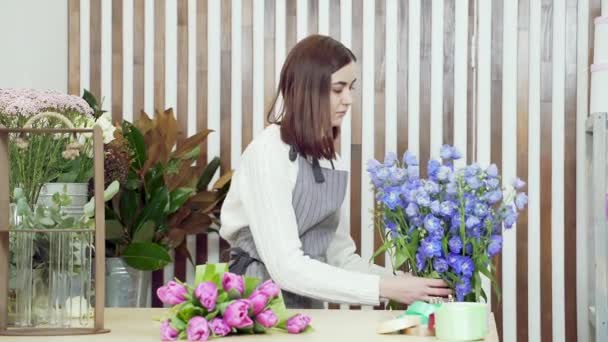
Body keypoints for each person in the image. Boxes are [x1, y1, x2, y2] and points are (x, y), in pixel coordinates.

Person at [219, 34, 451, 308]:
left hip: (307, 300)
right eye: (338, 89)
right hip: (257, 302)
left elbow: (340, 257)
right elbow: (287, 267)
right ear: (308, 90)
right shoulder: (267, 154)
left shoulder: (330, 159)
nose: (349, 99)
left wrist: (402, 283)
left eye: (351, 87)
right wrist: (386, 288)